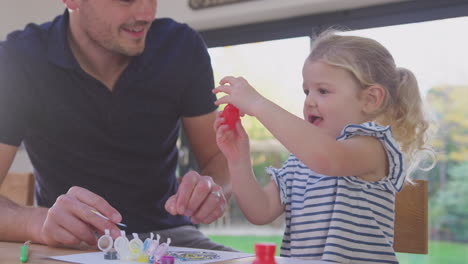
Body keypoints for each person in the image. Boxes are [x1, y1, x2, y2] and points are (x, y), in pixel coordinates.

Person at [0, 0, 234, 251]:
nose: (147, 13)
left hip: (170, 239)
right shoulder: (17, 58)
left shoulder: (182, 46)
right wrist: (38, 221)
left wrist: (214, 188)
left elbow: (218, 157)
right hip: (69, 244)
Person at [213, 30, 435, 263]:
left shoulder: (373, 147)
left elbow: (328, 159)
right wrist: (238, 160)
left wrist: (258, 104)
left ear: (370, 99)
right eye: (306, 91)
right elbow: (260, 211)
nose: (309, 101)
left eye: (323, 91)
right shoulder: (300, 161)